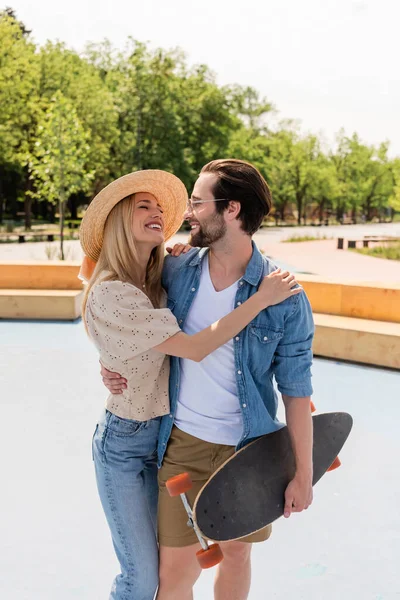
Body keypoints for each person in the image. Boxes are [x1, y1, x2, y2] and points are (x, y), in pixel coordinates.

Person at [80, 168, 303, 600]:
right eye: (143, 206)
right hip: (129, 446)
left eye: (160, 207)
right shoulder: (117, 291)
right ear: (118, 222)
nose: (162, 214)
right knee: (142, 578)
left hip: (167, 435)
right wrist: (260, 299)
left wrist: (108, 359)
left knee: (188, 566)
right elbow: (195, 347)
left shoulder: (158, 274)